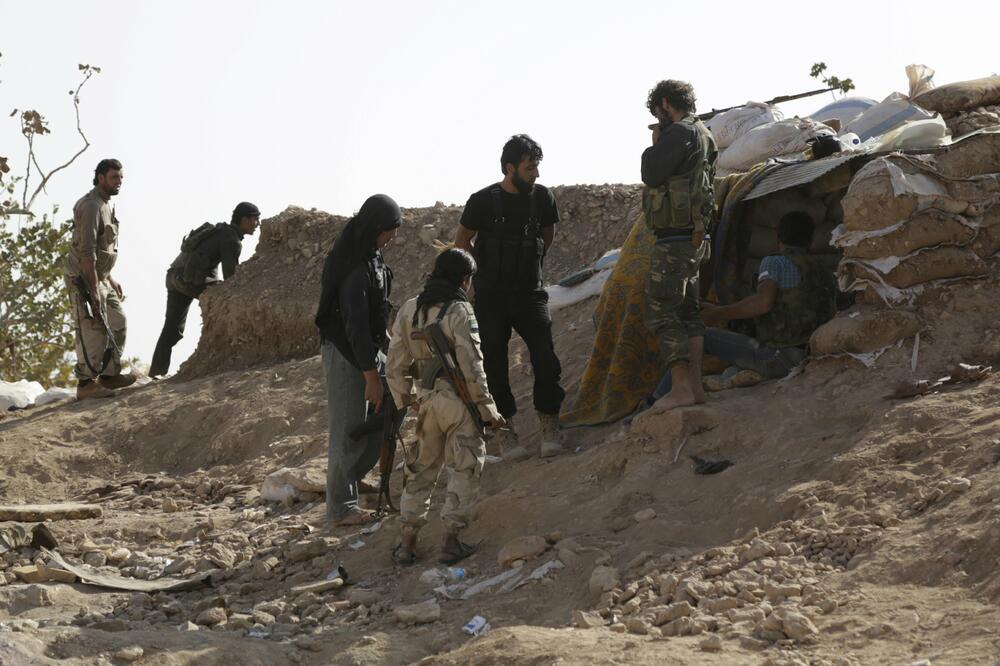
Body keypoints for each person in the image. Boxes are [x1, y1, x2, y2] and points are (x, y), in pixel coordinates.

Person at [386, 248, 504, 565]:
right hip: (459, 402)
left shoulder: (410, 308)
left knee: (419, 471)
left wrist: (407, 399)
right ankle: (451, 542)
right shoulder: (460, 310)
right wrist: (488, 410)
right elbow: (472, 367)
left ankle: (407, 544)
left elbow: (395, 364)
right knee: (464, 467)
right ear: (464, 280)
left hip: (426, 402)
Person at [454, 134, 568, 460]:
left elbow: (547, 236)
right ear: (509, 168)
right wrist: (486, 267)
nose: (536, 173)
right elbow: (462, 240)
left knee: (545, 357)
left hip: (530, 294)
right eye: (530, 167)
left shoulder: (543, 199)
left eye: (537, 167)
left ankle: (549, 424)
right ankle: (505, 431)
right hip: (492, 297)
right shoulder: (482, 201)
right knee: (493, 363)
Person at [648, 212, 838, 406]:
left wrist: (718, 314)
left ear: (778, 238)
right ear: (811, 241)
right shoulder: (826, 272)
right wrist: (719, 309)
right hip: (809, 357)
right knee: (730, 371)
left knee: (696, 334)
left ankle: (655, 401)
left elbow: (763, 302)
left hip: (779, 358)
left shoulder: (775, 262)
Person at [315, 194, 401, 526]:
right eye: (389, 230)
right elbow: (354, 326)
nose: (392, 237)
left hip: (368, 349)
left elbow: (375, 311)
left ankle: (351, 476)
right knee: (348, 427)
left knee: (394, 406)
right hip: (346, 352)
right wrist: (371, 376)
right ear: (374, 228)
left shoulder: (371, 255)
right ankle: (340, 508)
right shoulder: (351, 266)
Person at [640, 80, 718, 413]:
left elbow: (651, 173)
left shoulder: (678, 133)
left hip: (674, 238)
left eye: (658, 111)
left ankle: (682, 387)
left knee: (661, 311)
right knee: (688, 313)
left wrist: (655, 143)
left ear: (665, 103)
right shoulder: (704, 133)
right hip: (695, 237)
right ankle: (695, 388)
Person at [149, 202, 261, 377]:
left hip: (174, 276)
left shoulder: (220, 231)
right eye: (255, 219)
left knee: (171, 330)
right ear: (244, 219)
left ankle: (156, 373)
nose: (258, 224)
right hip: (187, 279)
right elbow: (231, 278)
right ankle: (216, 358)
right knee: (222, 297)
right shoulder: (232, 239)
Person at [64, 158, 136, 400]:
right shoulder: (92, 206)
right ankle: (85, 384)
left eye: (121, 177)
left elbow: (102, 248)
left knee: (118, 321)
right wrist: (94, 291)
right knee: (93, 328)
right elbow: (87, 252)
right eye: (114, 177)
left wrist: (110, 279)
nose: (119, 182)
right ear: (101, 177)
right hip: (83, 279)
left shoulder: (105, 204)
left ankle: (109, 375)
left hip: (100, 278)